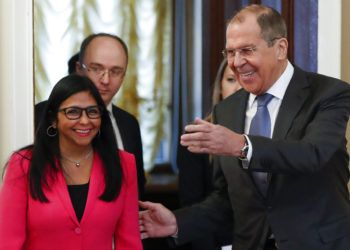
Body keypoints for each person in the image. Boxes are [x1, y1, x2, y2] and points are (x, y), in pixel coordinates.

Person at [139, 4, 350, 250]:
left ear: (280, 48)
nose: (237, 62)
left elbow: (312, 154)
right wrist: (177, 222)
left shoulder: (328, 94)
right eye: (230, 52)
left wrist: (242, 145)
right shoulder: (226, 110)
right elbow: (228, 200)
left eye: (247, 50)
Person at [0, 74, 142, 250]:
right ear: (53, 119)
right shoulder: (23, 164)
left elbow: (130, 242)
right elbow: (8, 243)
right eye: (73, 112)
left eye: (92, 111)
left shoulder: (123, 164)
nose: (84, 120)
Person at [35, 33, 146, 199]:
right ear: (79, 69)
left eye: (116, 71)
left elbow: (137, 190)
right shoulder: (40, 115)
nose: (106, 80)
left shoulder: (128, 123)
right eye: (97, 69)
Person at [177, 58, 240, 250]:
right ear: (220, 87)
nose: (238, 88)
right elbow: (192, 206)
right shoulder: (196, 137)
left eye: (244, 78)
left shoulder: (267, 134)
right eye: (230, 80)